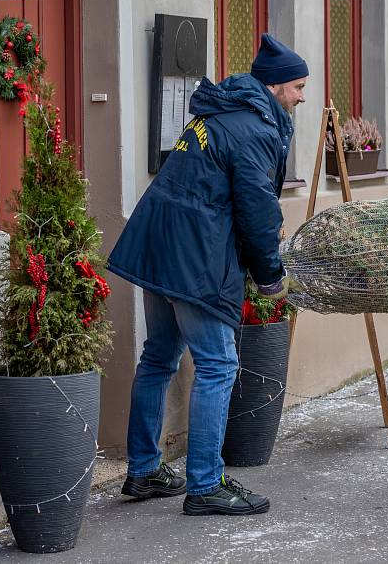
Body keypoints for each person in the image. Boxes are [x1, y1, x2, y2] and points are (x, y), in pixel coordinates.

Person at [108, 34, 307, 515]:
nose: (302, 96)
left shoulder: (219, 113)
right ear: (276, 86)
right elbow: (257, 212)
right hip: (195, 255)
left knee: (158, 357)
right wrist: (270, 277)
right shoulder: (254, 129)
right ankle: (205, 483)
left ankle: (143, 470)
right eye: (298, 86)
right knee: (218, 366)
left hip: (159, 244)